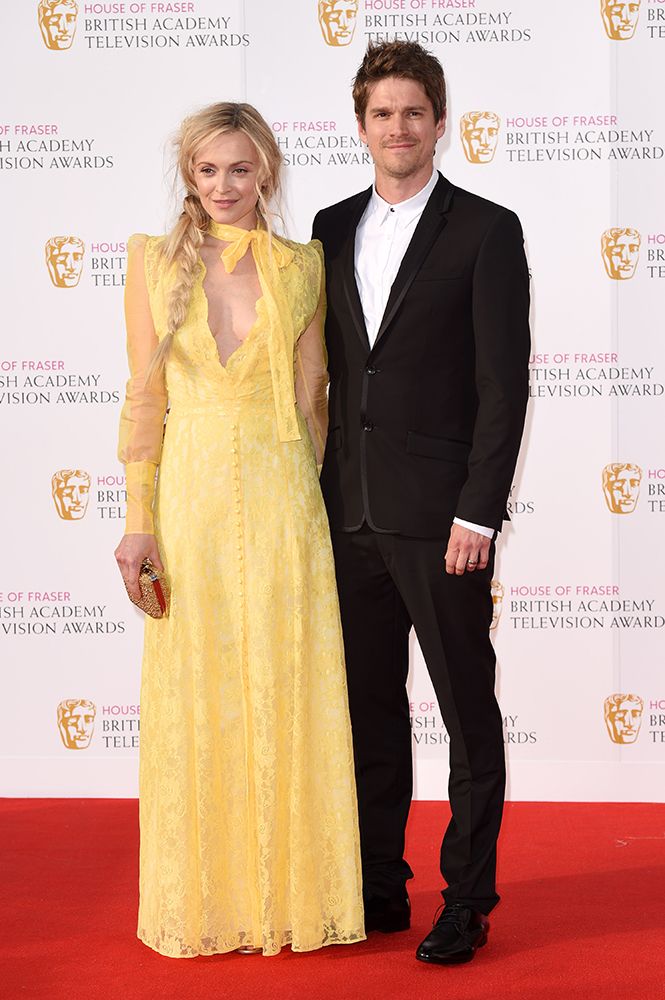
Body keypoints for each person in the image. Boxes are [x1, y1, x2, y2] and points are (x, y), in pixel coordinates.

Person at [114, 102, 364, 958]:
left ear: (268, 174)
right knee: (201, 696)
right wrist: (137, 521)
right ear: (189, 174)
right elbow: (145, 399)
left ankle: (288, 899)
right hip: (188, 511)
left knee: (285, 688)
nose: (224, 186)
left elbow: (315, 396)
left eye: (241, 170)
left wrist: (306, 497)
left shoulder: (303, 264)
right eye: (208, 170)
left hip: (283, 505)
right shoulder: (148, 264)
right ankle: (211, 899)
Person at [312, 42, 530, 965]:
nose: (397, 128)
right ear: (358, 124)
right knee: (366, 715)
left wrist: (477, 513)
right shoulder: (322, 228)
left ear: (440, 122)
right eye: (381, 113)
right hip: (344, 516)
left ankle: (466, 901)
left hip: (442, 524)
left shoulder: (485, 228)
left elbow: (502, 384)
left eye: (413, 112)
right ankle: (376, 884)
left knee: (466, 715)